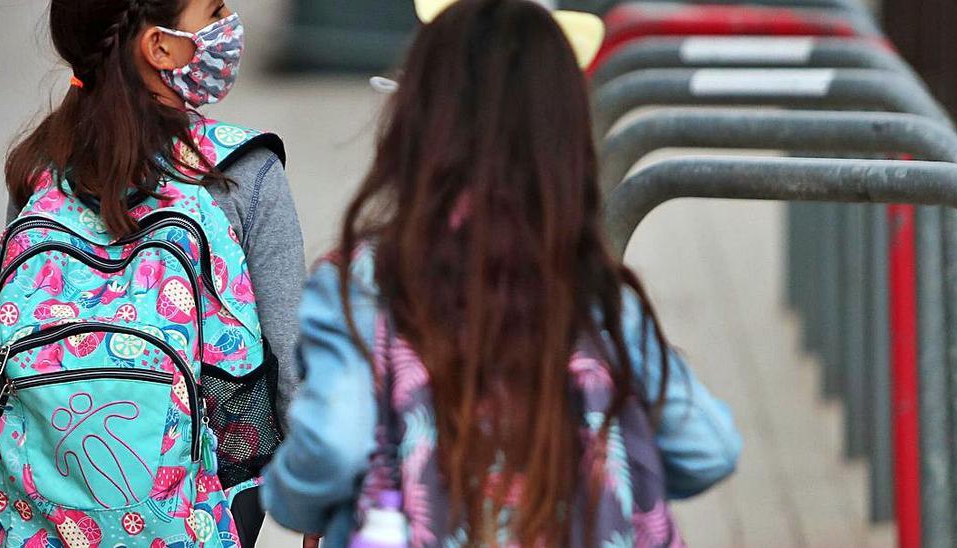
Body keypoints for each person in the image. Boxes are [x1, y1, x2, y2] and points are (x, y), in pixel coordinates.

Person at [261, 0, 742, 546]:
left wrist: (289, 499)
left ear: (418, 121)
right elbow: (709, 445)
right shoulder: (588, 288)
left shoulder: (367, 283)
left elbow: (334, 442)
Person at [0, 0, 304, 546]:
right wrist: (322, 496)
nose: (228, 25)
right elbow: (292, 366)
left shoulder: (42, 168)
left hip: (36, 521)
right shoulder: (242, 172)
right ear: (159, 46)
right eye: (212, 12)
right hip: (200, 515)